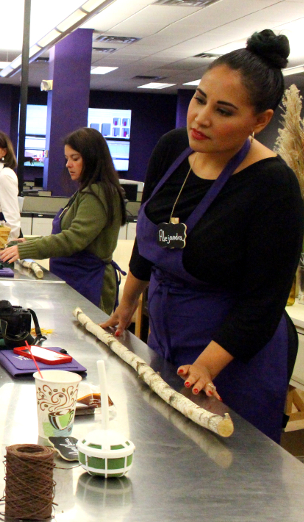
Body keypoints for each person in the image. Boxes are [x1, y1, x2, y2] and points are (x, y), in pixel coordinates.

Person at [103, 29, 304, 442]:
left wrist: (207, 366)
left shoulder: (272, 185)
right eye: (199, 98)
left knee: (221, 474)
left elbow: (262, 303)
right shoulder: (173, 149)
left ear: (260, 121)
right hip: (165, 338)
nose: (201, 118)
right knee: (160, 453)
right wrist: (126, 305)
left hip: (233, 358)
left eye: (224, 111)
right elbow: (149, 242)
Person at [0, 128, 126, 313]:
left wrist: (25, 249)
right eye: (67, 158)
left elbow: (73, 239)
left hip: (88, 284)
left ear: (92, 159)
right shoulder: (86, 191)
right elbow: (66, 234)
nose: (68, 164)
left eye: (75, 158)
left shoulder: (97, 193)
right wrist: (30, 241)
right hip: (74, 280)